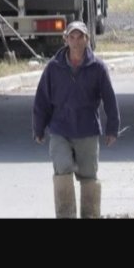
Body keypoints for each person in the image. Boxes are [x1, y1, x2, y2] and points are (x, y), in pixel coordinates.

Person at [32, 20, 120, 218]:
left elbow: (109, 99)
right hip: (60, 129)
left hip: (87, 129)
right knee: (62, 169)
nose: (76, 41)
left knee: (89, 177)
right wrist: (38, 129)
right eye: (72, 37)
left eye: (80, 37)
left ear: (87, 39)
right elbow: (42, 100)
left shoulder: (97, 68)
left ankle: (90, 215)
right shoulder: (54, 68)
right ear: (65, 40)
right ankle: (65, 215)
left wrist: (112, 129)